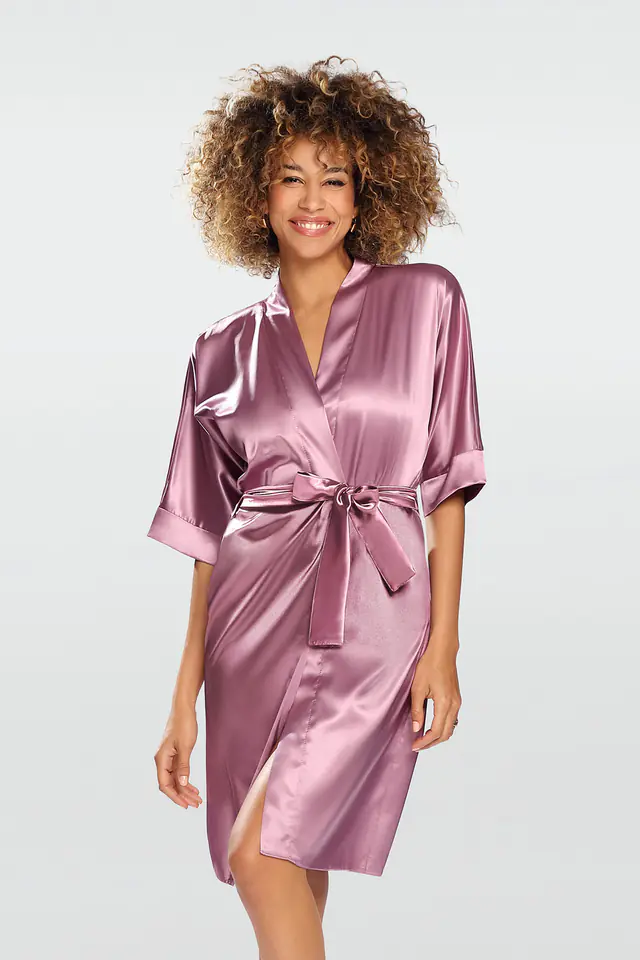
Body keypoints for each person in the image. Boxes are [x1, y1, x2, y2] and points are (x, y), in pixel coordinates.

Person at [147, 55, 487, 960]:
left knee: (258, 851)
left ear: (366, 190)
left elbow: (449, 484)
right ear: (252, 193)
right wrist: (182, 701)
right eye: (289, 177)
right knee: (289, 855)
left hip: (376, 609)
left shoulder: (428, 300)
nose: (312, 200)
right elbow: (205, 534)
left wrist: (444, 647)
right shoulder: (219, 348)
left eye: (334, 178)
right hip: (250, 618)